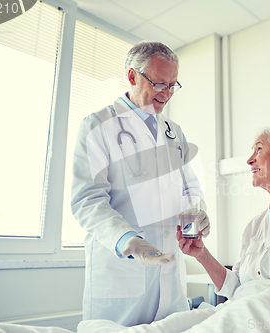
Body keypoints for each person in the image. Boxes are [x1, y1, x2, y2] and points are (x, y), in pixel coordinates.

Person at [77, 125, 270, 333]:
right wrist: (202, 254)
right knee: (176, 323)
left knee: (236, 312)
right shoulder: (256, 226)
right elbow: (236, 287)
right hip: (255, 308)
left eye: (258, 149)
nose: (249, 160)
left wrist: (235, 309)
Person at [71, 41, 210, 326]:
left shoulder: (173, 131)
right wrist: (127, 241)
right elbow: (87, 199)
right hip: (122, 271)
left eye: (173, 85)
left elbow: (189, 188)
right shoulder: (98, 125)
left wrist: (198, 213)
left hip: (170, 273)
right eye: (159, 83)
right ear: (133, 76)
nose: (167, 94)